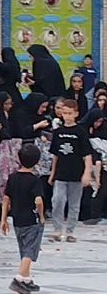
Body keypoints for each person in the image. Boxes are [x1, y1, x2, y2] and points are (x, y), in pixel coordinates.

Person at [1, 143, 45, 294]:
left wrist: (3, 219)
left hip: (17, 220)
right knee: (30, 251)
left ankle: (26, 278)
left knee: (24, 248)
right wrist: (41, 216)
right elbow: (38, 201)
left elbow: (6, 199)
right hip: (32, 220)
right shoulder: (34, 180)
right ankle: (18, 279)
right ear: (37, 161)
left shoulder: (12, 178)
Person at [48, 99, 94, 242]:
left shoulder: (80, 132)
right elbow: (55, 155)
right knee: (57, 200)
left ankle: (70, 230)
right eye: (65, 113)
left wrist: (87, 173)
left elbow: (87, 155)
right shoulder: (58, 132)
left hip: (76, 173)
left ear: (76, 114)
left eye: (70, 113)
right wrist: (52, 173)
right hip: (61, 173)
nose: (67, 116)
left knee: (74, 204)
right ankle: (57, 228)